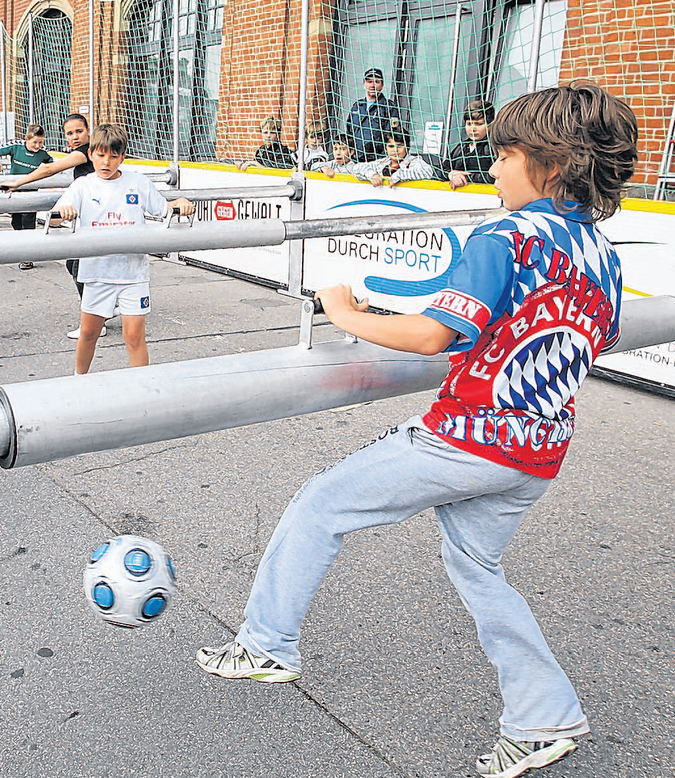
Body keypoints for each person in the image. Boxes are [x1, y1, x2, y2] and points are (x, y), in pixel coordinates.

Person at [194, 82, 639, 778]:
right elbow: (589, 336)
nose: (491, 170)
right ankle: (543, 714)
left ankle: (266, 643)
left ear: (550, 162)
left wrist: (342, 311)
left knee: (320, 503)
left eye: (504, 155)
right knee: (477, 566)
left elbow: (432, 335)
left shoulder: (505, 234)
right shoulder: (603, 255)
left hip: (467, 438)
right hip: (541, 451)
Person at [51, 123, 193, 375]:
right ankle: (78, 381)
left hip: (132, 273)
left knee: (134, 336)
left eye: (113, 156)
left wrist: (179, 204)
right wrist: (62, 214)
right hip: (96, 272)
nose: (106, 162)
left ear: (122, 157)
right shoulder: (82, 186)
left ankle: (140, 387)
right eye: (101, 155)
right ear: (91, 154)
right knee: (89, 333)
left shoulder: (138, 182)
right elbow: (53, 217)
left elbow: (163, 210)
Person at [0, 113, 98, 338]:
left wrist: (18, 182)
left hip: (96, 218)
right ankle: (104, 308)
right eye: (69, 133)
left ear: (88, 130)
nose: (75, 137)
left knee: (78, 266)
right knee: (77, 265)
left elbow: (48, 169)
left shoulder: (85, 152)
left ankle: (96, 319)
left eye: (79, 131)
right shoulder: (88, 152)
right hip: (90, 217)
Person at [0, 123, 54, 269]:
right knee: (16, 222)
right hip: (15, 192)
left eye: (41, 142)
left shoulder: (43, 154)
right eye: (35, 142)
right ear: (26, 139)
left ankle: (28, 256)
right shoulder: (16, 147)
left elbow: (52, 165)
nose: (38, 146)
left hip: (31, 193)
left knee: (28, 223)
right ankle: (21, 247)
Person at [344, 67, 404, 162]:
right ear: (364, 84)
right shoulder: (357, 106)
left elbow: (392, 136)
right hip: (355, 160)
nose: (372, 85)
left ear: (382, 85)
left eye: (376, 82)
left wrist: (384, 160)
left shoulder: (389, 107)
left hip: (377, 161)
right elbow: (349, 133)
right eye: (369, 82)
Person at [445, 99, 497, 189]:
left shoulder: (494, 148)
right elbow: (440, 170)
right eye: (469, 124)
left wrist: (465, 178)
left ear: (490, 125)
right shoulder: (460, 148)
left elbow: (495, 176)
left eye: (479, 124)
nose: (473, 128)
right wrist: (451, 175)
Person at [366, 130, 437, 188]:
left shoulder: (413, 162)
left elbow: (427, 172)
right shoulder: (382, 163)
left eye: (399, 146)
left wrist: (399, 176)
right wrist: (372, 175)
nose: (395, 150)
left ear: (407, 147)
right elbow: (356, 168)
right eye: (391, 146)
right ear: (386, 148)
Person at [318, 139, 383, 181]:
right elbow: (313, 166)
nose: (338, 152)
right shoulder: (332, 164)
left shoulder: (353, 167)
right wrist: (324, 168)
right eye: (335, 149)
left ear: (351, 152)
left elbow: (363, 169)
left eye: (342, 149)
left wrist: (372, 175)